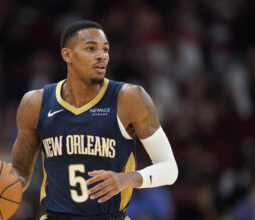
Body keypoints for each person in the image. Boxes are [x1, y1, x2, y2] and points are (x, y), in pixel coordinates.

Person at [11, 20, 178, 220]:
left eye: (105, 49)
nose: (102, 55)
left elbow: (170, 168)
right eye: (91, 48)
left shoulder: (130, 98)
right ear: (67, 55)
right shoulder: (35, 103)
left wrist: (127, 179)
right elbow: (20, 174)